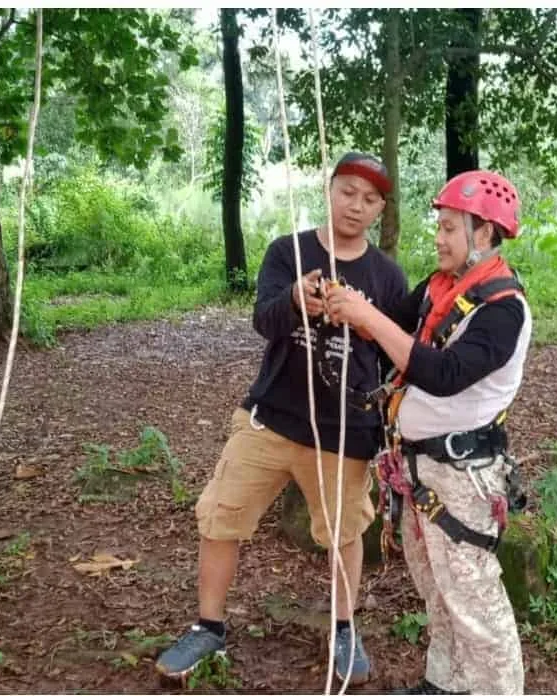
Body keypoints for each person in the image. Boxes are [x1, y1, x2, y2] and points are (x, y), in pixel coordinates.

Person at [155, 152, 408, 685]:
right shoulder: (287, 251)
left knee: (344, 533)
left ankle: (343, 629)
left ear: (381, 208)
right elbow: (262, 321)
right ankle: (209, 628)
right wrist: (296, 299)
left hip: (345, 430)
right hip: (269, 416)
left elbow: (395, 353)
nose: (356, 206)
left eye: (369, 200)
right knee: (221, 515)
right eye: (347, 192)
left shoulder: (388, 276)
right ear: (329, 189)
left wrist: (363, 322)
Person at [325, 170, 532, 695]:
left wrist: (367, 317)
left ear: (484, 234)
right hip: (422, 469)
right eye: (438, 226)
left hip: (463, 477)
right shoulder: (442, 288)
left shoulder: (503, 309)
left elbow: (441, 375)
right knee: (438, 590)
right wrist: (344, 303)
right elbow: (393, 320)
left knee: (475, 600)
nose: (437, 238)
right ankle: (445, 682)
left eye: (448, 228)